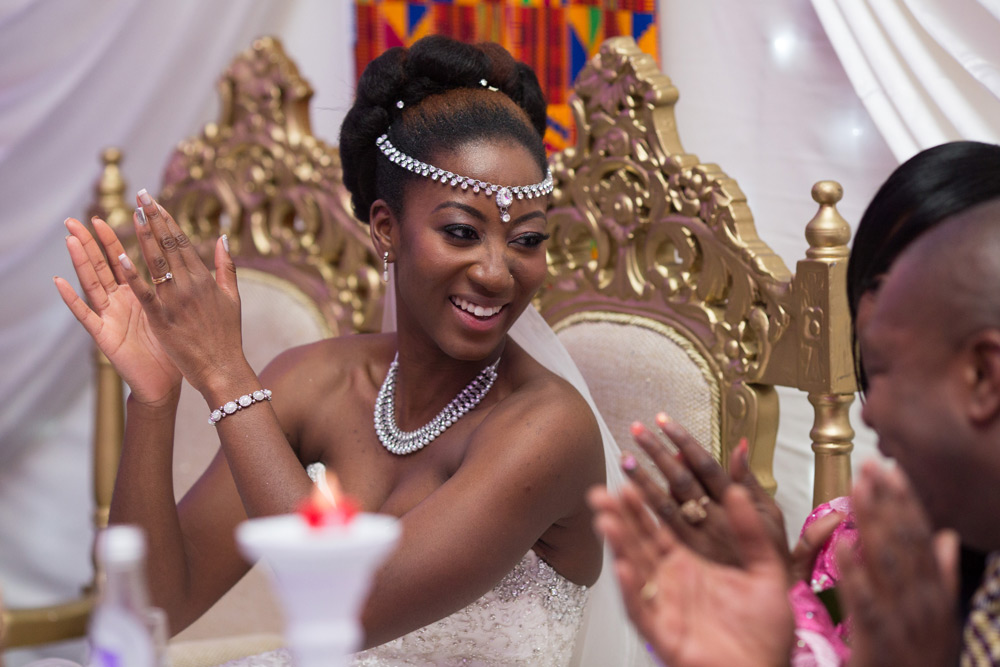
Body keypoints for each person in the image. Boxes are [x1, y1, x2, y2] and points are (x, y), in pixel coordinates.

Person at [55, 36, 649, 666]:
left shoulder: (548, 429)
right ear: (386, 229)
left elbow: (347, 612)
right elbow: (156, 607)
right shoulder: (316, 384)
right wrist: (153, 400)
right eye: (461, 232)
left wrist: (225, 375)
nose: (498, 273)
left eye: (527, 240)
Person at [589, 140, 1000, 666]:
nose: (868, 412)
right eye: (874, 279)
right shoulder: (850, 537)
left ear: (983, 370)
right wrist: (781, 610)